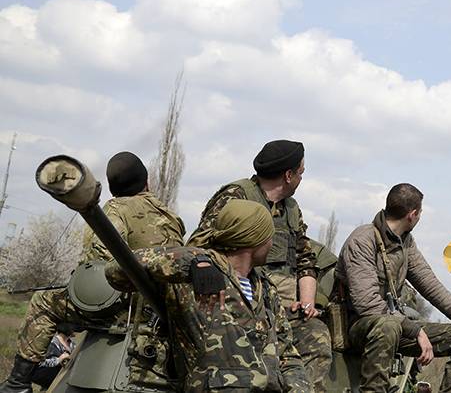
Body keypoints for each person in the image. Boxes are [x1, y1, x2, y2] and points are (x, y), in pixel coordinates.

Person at [0, 151, 185, 393]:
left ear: (110, 188)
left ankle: (17, 384)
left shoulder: (117, 208)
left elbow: (98, 269)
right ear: (147, 181)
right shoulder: (170, 216)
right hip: (164, 310)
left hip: (127, 310)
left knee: (44, 302)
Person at [106, 199, 312, 392]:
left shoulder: (266, 288)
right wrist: (192, 261)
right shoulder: (192, 278)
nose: (271, 242)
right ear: (254, 238)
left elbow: (287, 356)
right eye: (269, 235)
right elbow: (117, 270)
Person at [193, 140, 330, 391]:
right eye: (300, 173)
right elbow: (200, 245)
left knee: (317, 336)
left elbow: (306, 259)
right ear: (288, 175)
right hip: (240, 300)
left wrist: (307, 303)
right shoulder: (236, 196)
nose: (301, 179)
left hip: (283, 309)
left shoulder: (291, 209)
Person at [335, 183, 451, 393]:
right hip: (357, 327)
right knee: (387, 326)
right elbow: (367, 305)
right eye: (420, 213)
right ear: (412, 214)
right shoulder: (363, 240)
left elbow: (429, 283)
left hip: (396, 326)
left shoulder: (405, 243)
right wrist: (415, 330)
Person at [29, 323, 76, 389]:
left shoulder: (72, 344)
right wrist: (59, 360)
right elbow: (41, 363)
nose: (76, 329)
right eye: (73, 327)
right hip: (50, 378)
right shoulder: (52, 343)